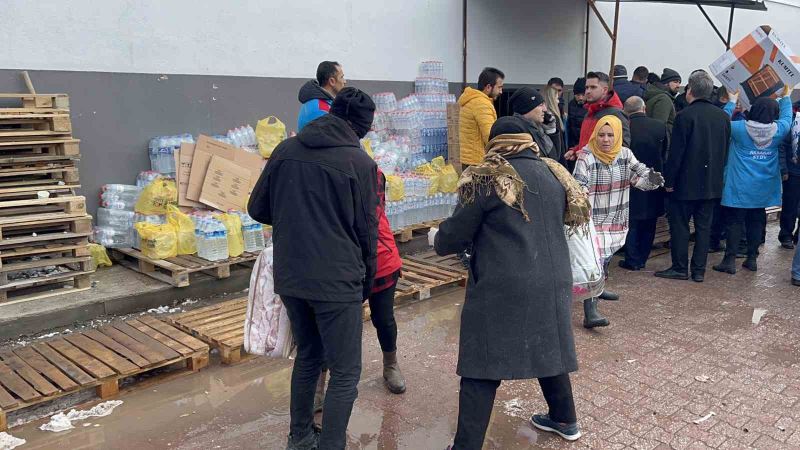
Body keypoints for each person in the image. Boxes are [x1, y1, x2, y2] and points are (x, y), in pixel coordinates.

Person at [435, 116, 590, 448]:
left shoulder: (489, 178)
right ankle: (565, 419)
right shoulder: (553, 172)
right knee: (548, 344)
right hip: (554, 278)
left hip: (505, 283)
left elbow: (455, 234)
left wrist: (439, 237)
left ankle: (466, 445)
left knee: (483, 361)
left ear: (495, 145)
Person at [248, 87, 378, 450]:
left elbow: (257, 208)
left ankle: (300, 437)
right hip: (337, 280)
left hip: (292, 276)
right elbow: (367, 233)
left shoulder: (286, 150)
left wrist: (296, 215)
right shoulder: (360, 163)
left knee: (308, 355)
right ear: (361, 127)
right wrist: (366, 282)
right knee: (346, 370)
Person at [573, 116, 664, 327]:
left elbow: (639, 175)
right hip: (592, 221)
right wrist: (583, 195)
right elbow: (578, 185)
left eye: (610, 135)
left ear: (618, 135)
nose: (605, 139)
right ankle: (590, 312)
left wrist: (652, 178)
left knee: (604, 259)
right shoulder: (586, 156)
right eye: (602, 135)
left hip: (617, 217)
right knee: (593, 263)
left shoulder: (624, 154)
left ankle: (600, 288)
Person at [655, 71, 731, 283]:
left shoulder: (685, 116)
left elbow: (676, 153)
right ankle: (699, 270)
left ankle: (680, 267)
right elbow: (725, 152)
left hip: (685, 184)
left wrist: (669, 181)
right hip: (711, 184)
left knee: (680, 226)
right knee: (704, 228)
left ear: (690, 90)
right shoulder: (724, 117)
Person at [713, 89, 793, 274]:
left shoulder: (739, 129)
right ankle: (751, 259)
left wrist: (732, 101)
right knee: (757, 221)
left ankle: (729, 260)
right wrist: (786, 97)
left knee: (734, 222)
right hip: (763, 186)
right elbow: (788, 118)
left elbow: (721, 122)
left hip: (739, 185)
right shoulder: (778, 130)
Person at [618, 97, 668, 270]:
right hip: (654, 178)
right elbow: (665, 154)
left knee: (631, 221)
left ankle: (631, 259)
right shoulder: (659, 126)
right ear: (644, 108)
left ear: (625, 111)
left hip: (630, 180)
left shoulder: (624, 127)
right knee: (650, 221)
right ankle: (642, 258)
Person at [565, 71, 630, 160]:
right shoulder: (590, 111)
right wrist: (576, 150)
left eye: (593, 87)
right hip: (585, 167)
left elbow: (623, 146)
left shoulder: (615, 113)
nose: (587, 91)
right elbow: (588, 141)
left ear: (605, 90)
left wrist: (590, 154)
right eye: (587, 87)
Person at [458, 67, 504, 167]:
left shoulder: (471, 100)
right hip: (478, 162)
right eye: (499, 87)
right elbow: (490, 137)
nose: (501, 91)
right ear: (488, 87)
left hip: (468, 159)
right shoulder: (481, 104)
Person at [509, 87, 558, 160]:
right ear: (526, 107)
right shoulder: (517, 132)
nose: (545, 109)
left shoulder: (536, 129)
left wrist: (551, 131)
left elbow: (555, 158)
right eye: (540, 105)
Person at [297, 61, 346, 131]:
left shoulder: (322, 102)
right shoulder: (321, 108)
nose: (345, 81)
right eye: (342, 77)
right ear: (332, 81)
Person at [779, 108, 800, 249]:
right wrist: (784, 169)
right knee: (790, 206)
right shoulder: (795, 120)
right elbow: (783, 146)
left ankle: (798, 236)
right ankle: (786, 234)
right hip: (793, 172)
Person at [644, 68, 681, 136]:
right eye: (675, 82)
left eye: (679, 82)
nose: (678, 86)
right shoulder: (664, 99)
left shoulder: (658, 95)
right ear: (666, 83)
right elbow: (659, 126)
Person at [543, 84, 567, 162]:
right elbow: (559, 145)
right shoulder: (553, 118)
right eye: (556, 98)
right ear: (551, 100)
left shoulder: (541, 118)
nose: (558, 101)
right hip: (556, 159)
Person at [566, 78, 587, 151]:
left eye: (583, 94)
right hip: (572, 144)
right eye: (578, 95)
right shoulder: (571, 104)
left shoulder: (591, 106)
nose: (580, 98)